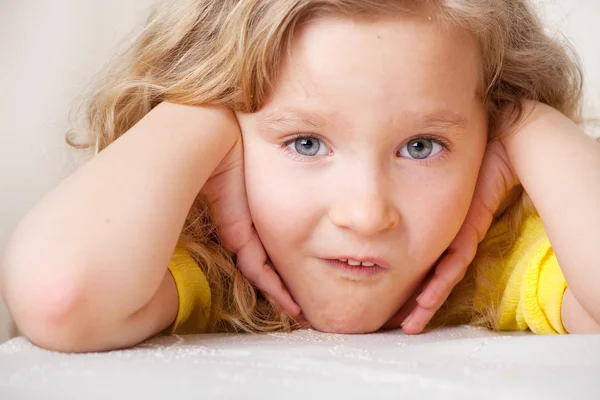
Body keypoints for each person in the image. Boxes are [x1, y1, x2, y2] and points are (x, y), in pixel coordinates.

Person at [1, 0, 599, 353]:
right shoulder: (205, 256)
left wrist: (527, 123)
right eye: (305, 142)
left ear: (486, 143)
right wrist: (200, 114)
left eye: (422, 146)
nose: (366, 214)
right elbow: (62, 299)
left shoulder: (504, 252)